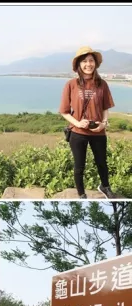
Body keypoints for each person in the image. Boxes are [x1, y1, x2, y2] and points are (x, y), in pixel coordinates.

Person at [59, 46, 116, 199]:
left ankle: (105, 186)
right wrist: (77, 123)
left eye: (91, 61)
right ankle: (81, 194)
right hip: (78, 133)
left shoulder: (102, 84)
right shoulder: (71, 84)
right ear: (79, 65)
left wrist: (104, 123)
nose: (88, 64)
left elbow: (105, 107)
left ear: (95, 64)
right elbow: (64, 111)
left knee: (102, 163)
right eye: (84, 61)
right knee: (79, 167)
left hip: (98, 131)